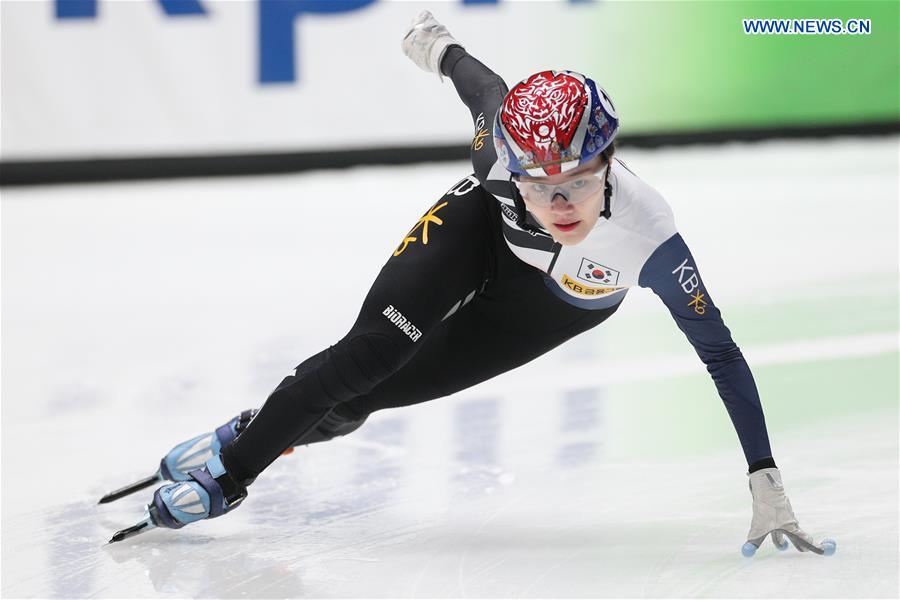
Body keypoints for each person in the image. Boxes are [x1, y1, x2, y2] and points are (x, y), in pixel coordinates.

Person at [107, 12, 833, 557]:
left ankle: (252, 427)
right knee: (367, 357)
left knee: (371, 398)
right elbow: (479, 82)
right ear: (509, 163)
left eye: (579, 182)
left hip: (553, 309)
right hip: (477, 232)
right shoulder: (496, 150)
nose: (558, 206)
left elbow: (721, 352)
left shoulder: (650, 238)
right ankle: (233, 473)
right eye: (537, 183)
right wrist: (435, 44)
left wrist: (763, 475)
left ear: (610, 158)